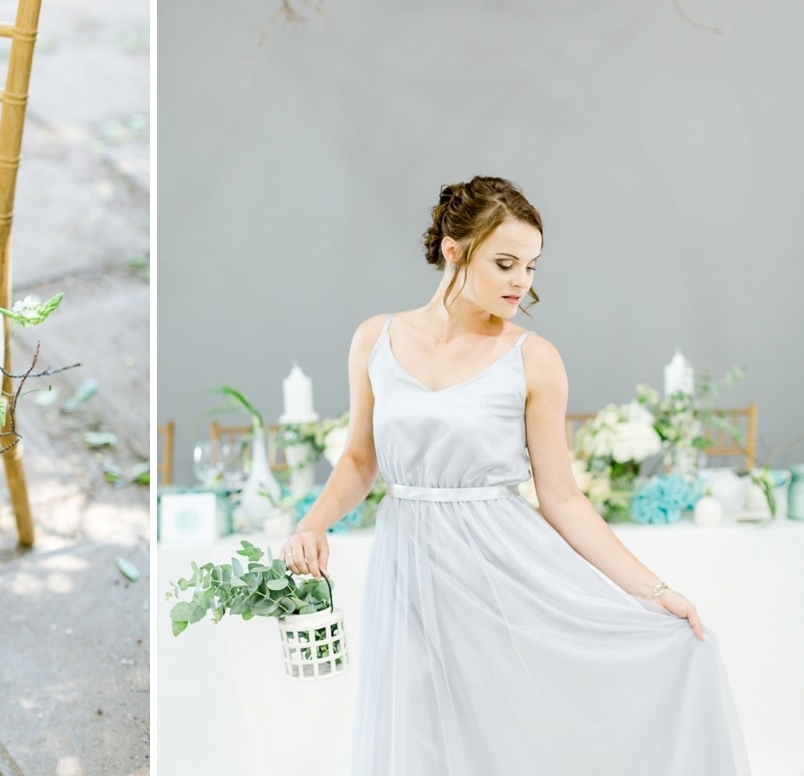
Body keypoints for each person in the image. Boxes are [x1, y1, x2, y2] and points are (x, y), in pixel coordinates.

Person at [281, 176, 749, 775]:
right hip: (406, 567)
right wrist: (312, 523)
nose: (522, 282)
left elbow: (563, 499)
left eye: (530, 266)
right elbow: (358, 460)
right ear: (454, 250)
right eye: (505, 264)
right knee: (415, 734)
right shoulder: (375, 338)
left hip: (502, 573)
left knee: (507, 738)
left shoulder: (534, 359)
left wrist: (655, 591)